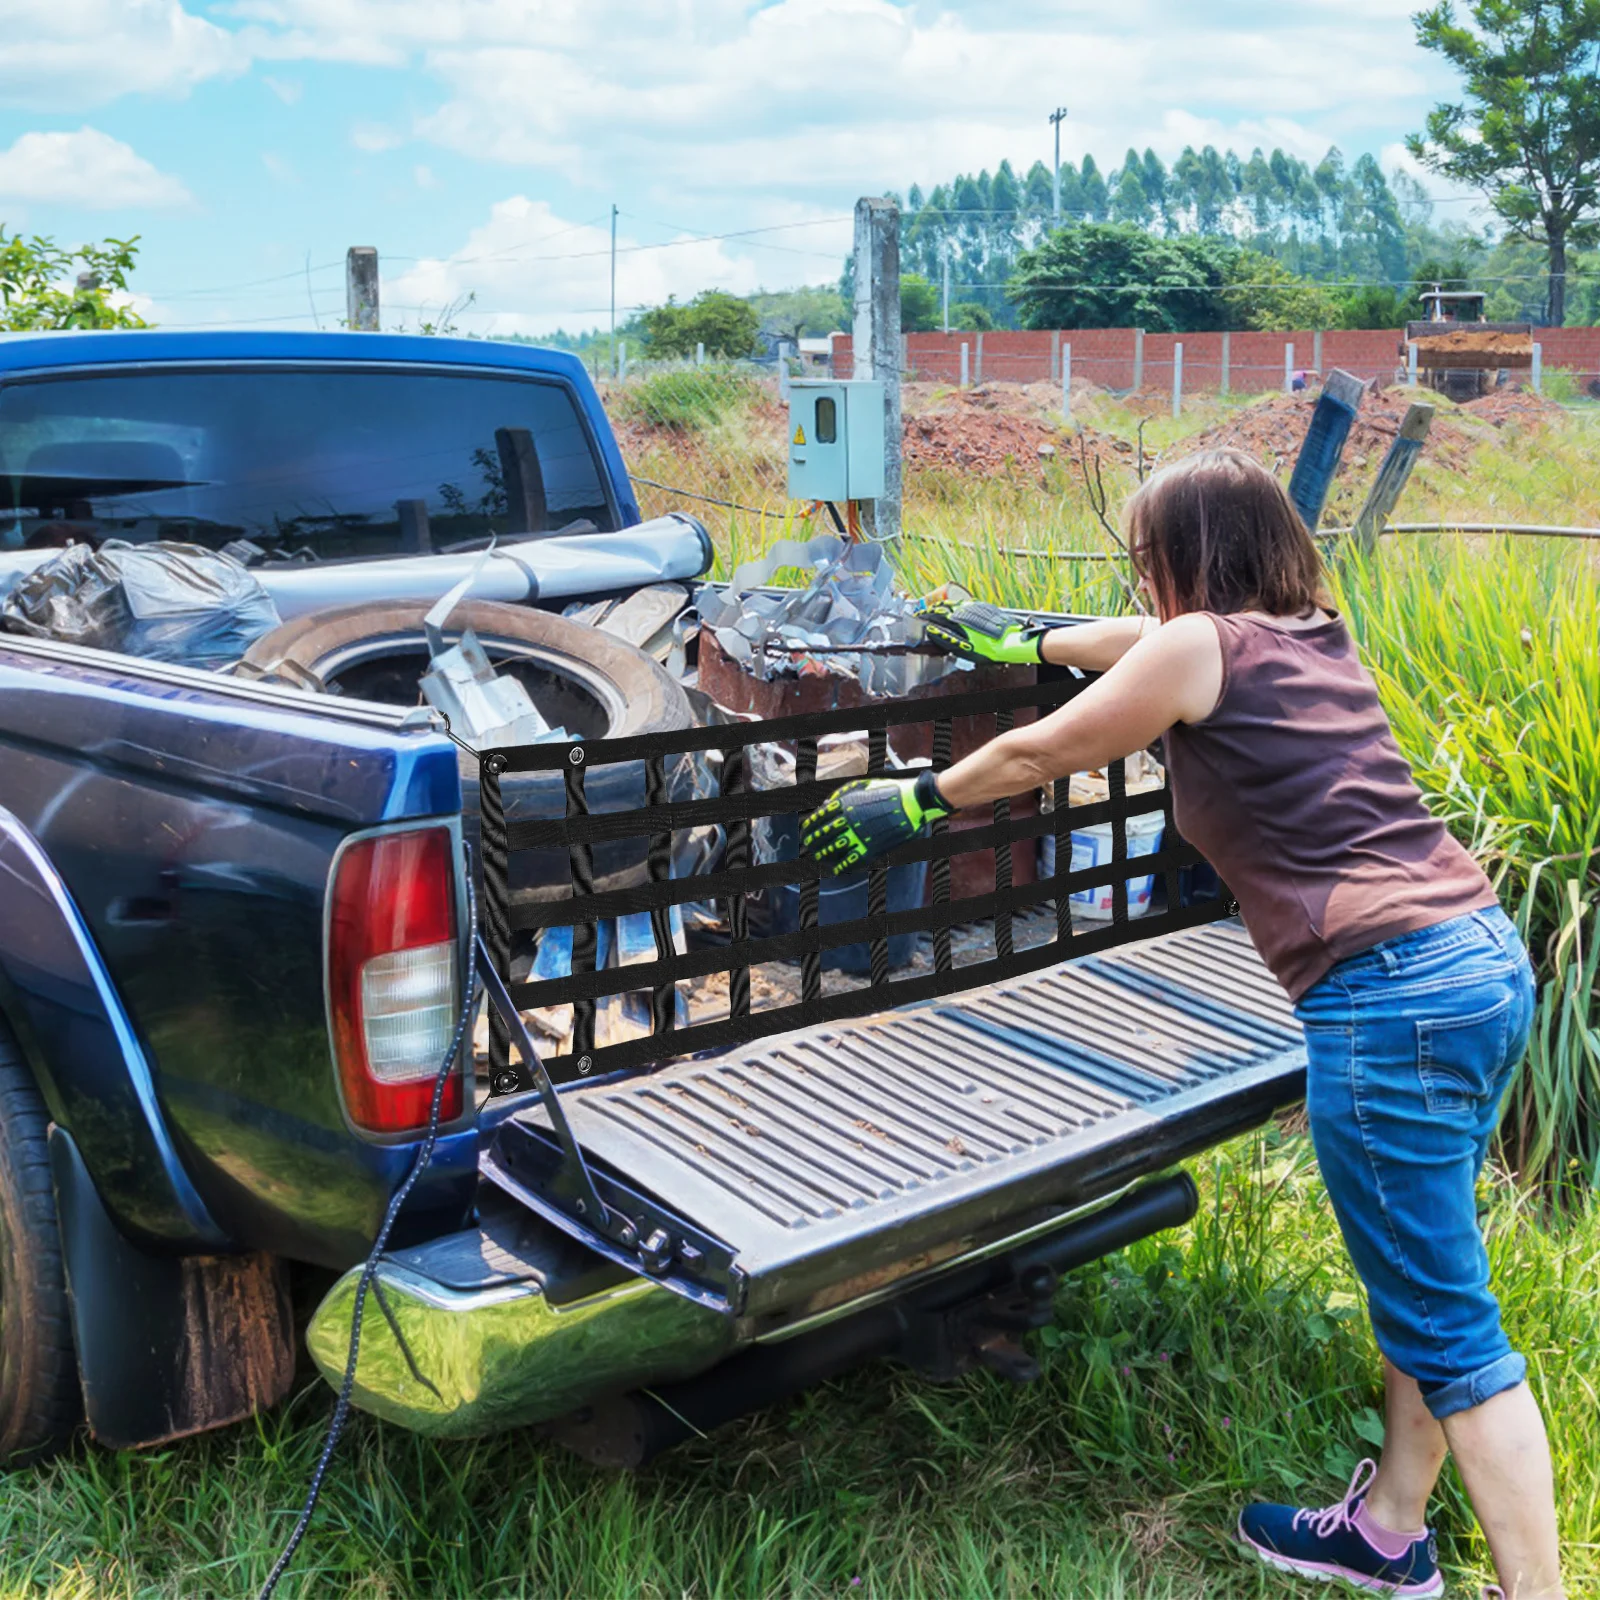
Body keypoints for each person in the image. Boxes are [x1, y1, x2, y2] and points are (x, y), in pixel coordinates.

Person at [799, 449, 1561, 1600]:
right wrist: (1032, 640)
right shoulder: (1307, 628)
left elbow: (1044, 748)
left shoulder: (1198, 649)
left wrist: (913, 800)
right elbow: (1135, 645)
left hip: (1388, 996)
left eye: (1144, 555)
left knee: (1455, 1336)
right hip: (1475, 962)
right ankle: (1389, 1530)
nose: (1136, 575)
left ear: (1182, 556)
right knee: (1425, 1269)